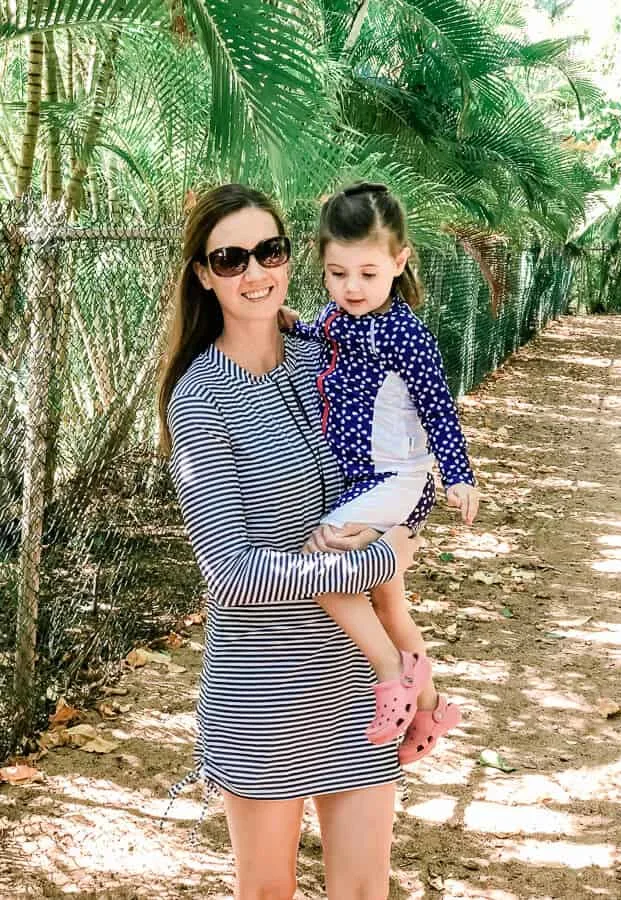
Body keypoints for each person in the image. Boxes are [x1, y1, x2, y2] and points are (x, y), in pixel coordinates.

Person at [157, 183, 424, 899]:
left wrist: (409, 660)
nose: (255, 272)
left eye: (268, 250)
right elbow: (232, 574)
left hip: (355, 686)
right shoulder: (201, 396)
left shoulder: (329, 357)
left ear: (288, 254)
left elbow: (391, 476)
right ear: (203, 274)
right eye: (230, 257)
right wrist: (375, 559)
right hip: (262, 698)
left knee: (364, 891)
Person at [279, 181, 479, 763]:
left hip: (397, 480)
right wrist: (295, 324)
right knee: (389, 601)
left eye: (367, 273)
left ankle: (392, 672)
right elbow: (325, 331)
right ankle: (432, 712)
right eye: (337, 274)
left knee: (320, 562)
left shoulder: (406, 334)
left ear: (399, 261)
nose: (352, 288)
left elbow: (438, 406)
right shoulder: (336, 315)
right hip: (359, 481)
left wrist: (458, 475)